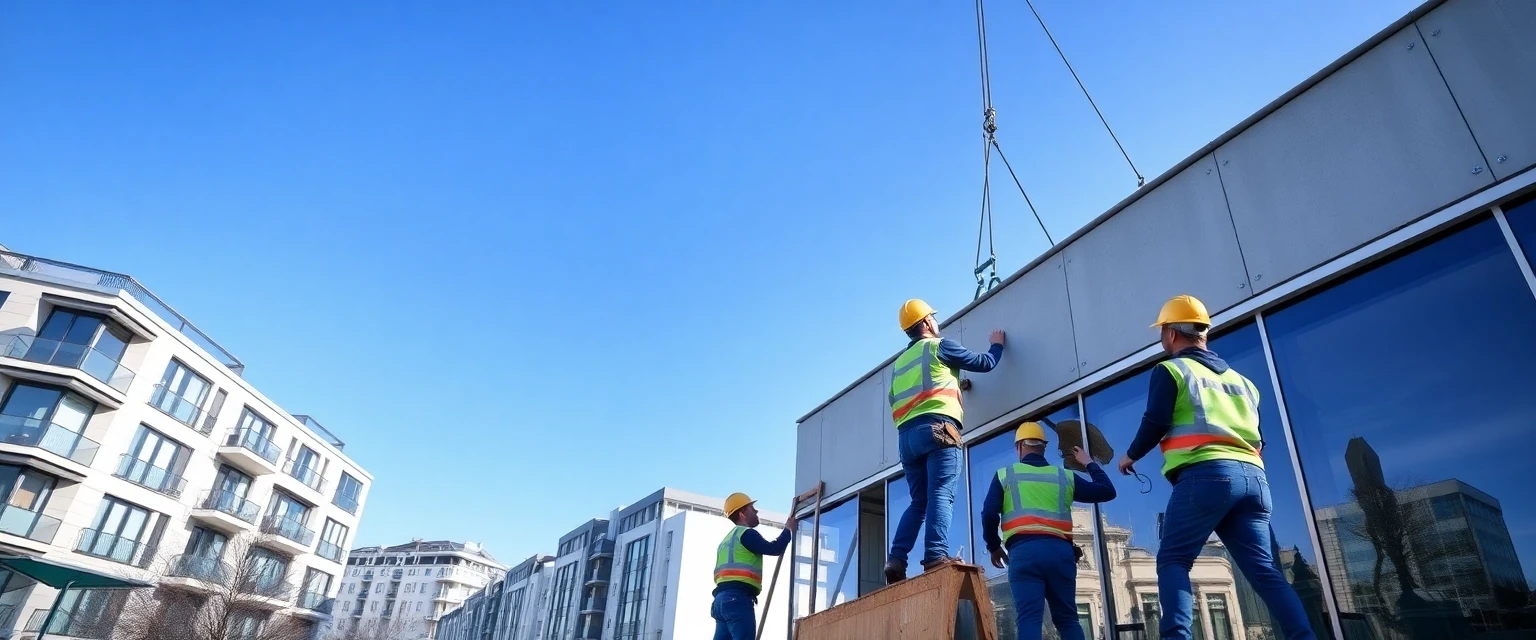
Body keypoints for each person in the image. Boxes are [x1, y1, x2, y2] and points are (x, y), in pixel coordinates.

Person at [1117, 295, 1316, 640]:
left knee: (1174, 560)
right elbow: (1259, 440)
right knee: (1267, 572)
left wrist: (1130, 456)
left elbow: (1156, 420)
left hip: (1206, 475)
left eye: (1162, 332)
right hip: (1254, 480)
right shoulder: (1244, 383)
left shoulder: (1171, 370)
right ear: (1204, 332)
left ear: (1171, 333)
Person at [887, 298, 1006, 584]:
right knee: (941, 494)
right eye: (934, 317)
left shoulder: (899, 364)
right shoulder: (939, 346)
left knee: (919, 502)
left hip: (907, 439)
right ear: (927, 322)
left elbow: (908, 394)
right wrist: (997, 345)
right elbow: (985, 363)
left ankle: (896, 559)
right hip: (938, 429)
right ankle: (935, 556)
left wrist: (955, 385)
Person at [982, 422, 1116, 640]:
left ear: (1019, 447)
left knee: (1029, 619)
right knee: (1068, 620)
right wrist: (1089, 463)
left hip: (1024, 553)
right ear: (1043, 447)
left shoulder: (1005, 475)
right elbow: (1107, 491)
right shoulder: (1064, 477)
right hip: (1060, 554)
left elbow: (989, 514)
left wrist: (994, 547)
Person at [712, 492, 795, 640]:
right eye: (752, 508)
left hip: (720, 601)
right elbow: (774, 548)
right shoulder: (746, 534)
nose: (756, 511)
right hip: (737, 598)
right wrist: (788, 530)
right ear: (742, 513)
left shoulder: (726, 541)